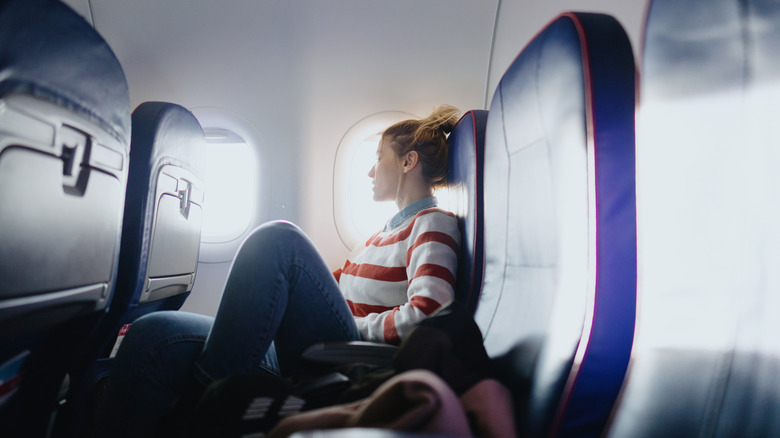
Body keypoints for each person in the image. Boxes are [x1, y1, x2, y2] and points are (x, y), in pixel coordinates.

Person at [95, 105, 462, 437]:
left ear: (407, 161)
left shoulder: (431, 224)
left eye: (379, 157)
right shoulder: (377, 236)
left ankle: (202, 415)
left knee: (280, 242)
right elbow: (328, 294)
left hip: (350, 351)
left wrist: (355, 327)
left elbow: (428, 316)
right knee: (154, 332)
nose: (370, 169)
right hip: (319, 342)